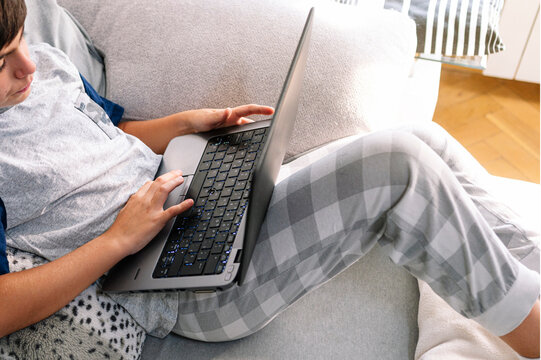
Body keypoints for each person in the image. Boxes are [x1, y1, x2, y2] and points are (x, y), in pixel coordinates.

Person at [0, 0, 539, 358]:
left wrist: (187, 124)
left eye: (23, 40)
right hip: (177, 285)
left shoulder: (42, 67)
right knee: (398, 167)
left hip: (190, 198)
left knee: (423, 136)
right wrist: (118, 239)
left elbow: (113, 128)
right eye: (3, 61)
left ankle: (532, 270)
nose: (28, 66)